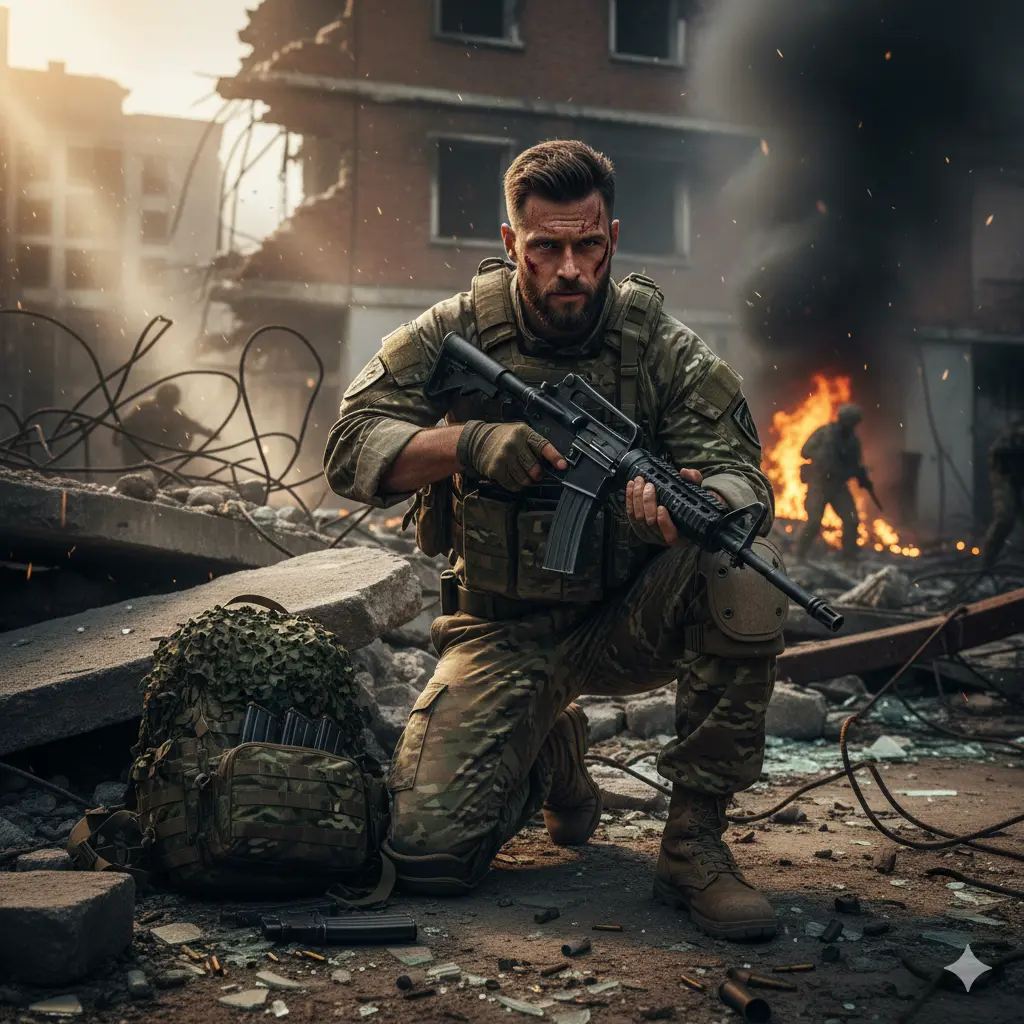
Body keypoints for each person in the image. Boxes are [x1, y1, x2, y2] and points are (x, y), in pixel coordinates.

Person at [324, 140, 785, 942]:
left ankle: (692, 845)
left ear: (613, 239)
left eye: (587, 245)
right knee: (427, 860)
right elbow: (349, 446)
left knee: (745, 566)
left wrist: (694, 503)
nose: (569, 268)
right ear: (511, 245)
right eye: (546, 248)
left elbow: (745, 480)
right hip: (499, 629)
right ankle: (554, 748)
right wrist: (463, 445)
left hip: (623, 619)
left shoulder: (661, 349)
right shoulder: (453, 331)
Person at [796, 403, 872, 561]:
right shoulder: (824, 433)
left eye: (853, 422)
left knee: (851, 520)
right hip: (819, 483)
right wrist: (822, 456)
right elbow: (805, 451)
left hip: (838, 487)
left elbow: (855, 466)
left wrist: (861, 477)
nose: (850, 425)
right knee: (814, 521)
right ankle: (800, 554)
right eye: (848, 421)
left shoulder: (853, 442)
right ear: (842, 419)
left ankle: (849, 557)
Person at [115, 383, 214, 468]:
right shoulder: (145, 408)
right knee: (137, 469)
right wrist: (117, 434)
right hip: (134, 447)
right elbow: (126, 422)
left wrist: (207, 432)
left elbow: (190, 424)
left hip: (151, 450)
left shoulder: (173, 414)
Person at [981, 417, 1024, 568]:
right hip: (1004, 470)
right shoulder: (1016, 432)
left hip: (1017, 471)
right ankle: (987, 562)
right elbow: (1001, 452)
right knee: (1006, 517)